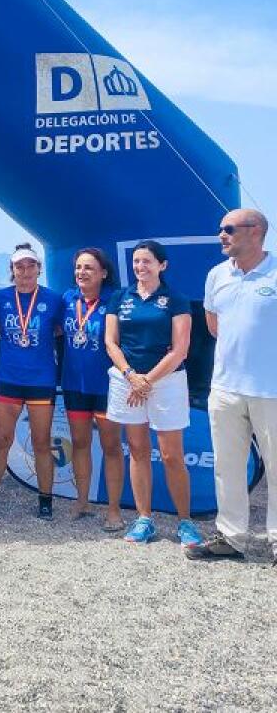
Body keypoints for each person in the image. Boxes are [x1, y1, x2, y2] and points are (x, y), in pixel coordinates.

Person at [189, 209, 276, 563]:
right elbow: (214, 325)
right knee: (227, 465)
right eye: (220, 228)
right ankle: (232, 536)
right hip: (225, 388)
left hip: (271, 389)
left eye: (228, 229)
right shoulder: (216, 275)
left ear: (255, 231)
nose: (220, 235)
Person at [104, 240, 201, 549]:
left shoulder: (176, 299)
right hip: (127, 379)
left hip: (167, 382)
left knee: (172, 455)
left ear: (162, 265)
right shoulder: (120, 297)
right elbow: (111, 342)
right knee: (138, 450)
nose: (140, 267)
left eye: (147, 261)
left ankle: (185, 522)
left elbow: (180, 349)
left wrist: (147, 381)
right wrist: (132, 377)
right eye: (136, 261)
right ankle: (144, 518)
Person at [0, 243, 65, 519]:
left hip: (41, 381)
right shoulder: (1, 297)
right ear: (12, 271)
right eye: (19, 267)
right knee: (2, 439)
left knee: (41, 442)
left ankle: (45, 501)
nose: (25, 271)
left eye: (30, 266)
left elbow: (62, 335)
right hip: (9, 380)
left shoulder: (53, 299)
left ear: (39, 269)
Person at [61, 248, 124, 529]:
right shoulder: (67, 298)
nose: (82, 273)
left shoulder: (115, 301)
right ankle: (82, 501)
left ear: (103, 273)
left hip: (106, 387)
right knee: (80, 444)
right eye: (78, 267)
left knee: (111, 447)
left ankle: (113, 510)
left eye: (88, 268)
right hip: (75, 385)